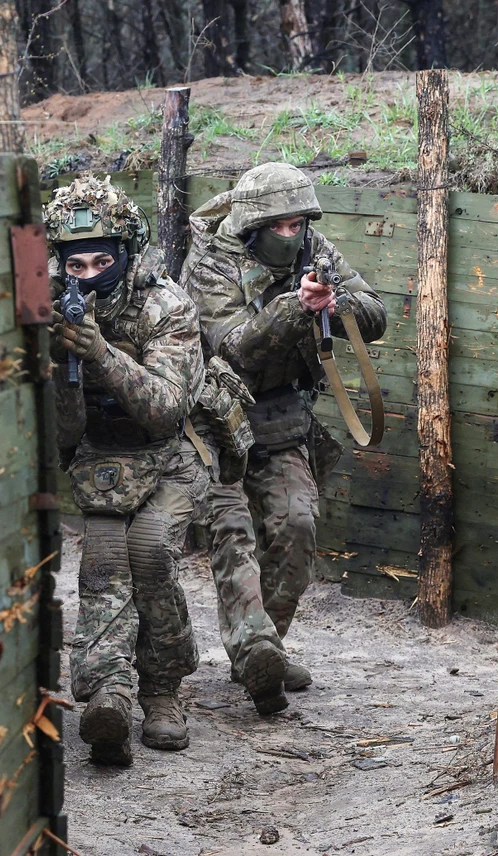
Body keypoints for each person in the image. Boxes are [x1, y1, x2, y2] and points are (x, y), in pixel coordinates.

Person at [181, 163, 387, 715]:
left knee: (298, 525)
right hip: (213, 425)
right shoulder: (212, 262)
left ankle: (263, 646)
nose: (292, 235)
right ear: (253, 225)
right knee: (233, 536)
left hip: (281, 421)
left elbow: (376, 312)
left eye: (299, 225)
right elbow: (233, 346)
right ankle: (256, 651)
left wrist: (335, 304)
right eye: (280, 226)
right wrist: (296, 306)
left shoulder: (314, 250)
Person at [45, 175, 209, 765]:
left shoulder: (166, 305)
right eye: (76, 265)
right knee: (104, 560)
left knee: (151, 550)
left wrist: (99, 353)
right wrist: (60, 363)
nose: (88, 275)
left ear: (126, 253)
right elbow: (64, 436)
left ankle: (163, 690)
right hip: (102, 460)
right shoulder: (49, 310)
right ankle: (107, 693)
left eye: (101, 261)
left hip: (173, 453)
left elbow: (166, 408)